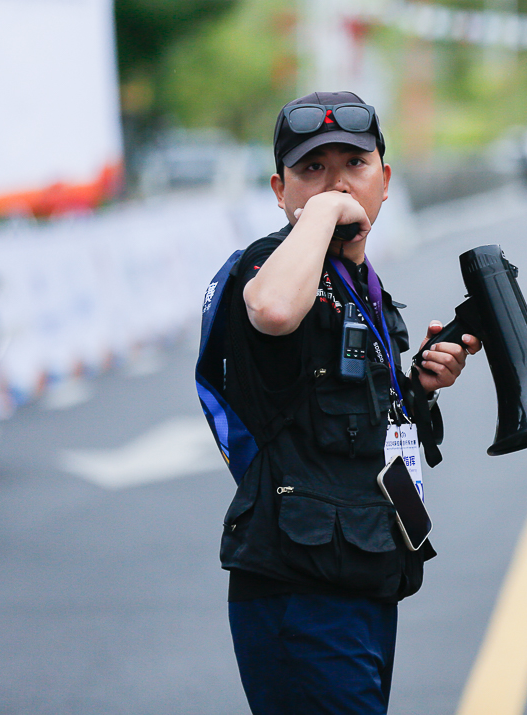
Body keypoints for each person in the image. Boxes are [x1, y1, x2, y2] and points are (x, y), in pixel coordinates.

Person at [216, 91, 479, 714]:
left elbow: (355, 429)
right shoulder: (270, 266)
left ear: (385, 182)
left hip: (361, 574)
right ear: (279, 191)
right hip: (297, 590)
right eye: (312, 170)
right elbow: (276, 310)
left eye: (354, 166)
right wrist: (320, 216)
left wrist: (418, 387)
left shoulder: (364, 287)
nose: (335, 185)